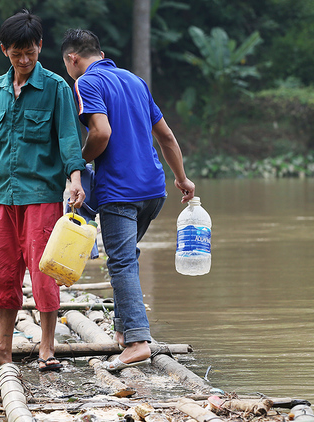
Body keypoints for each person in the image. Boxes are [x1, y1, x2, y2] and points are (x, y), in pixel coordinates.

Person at [0, 11, 86, 372]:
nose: (24, 61)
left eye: (30, 53)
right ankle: (2, 348)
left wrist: (75, 180)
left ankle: (47, 349)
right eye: (16, 54)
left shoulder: (56, 88)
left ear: (40, 47)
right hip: (4, 197)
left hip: (41, 197)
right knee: (0, 271)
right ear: (4, 50)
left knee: (44, 272)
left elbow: (70, 140)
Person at [61, 29, 195, 371]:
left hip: (120, 190)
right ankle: (123, 331)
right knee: (125, 255)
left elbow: (101, 132)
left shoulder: (87, 83)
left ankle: (137, 341)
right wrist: (181, 178)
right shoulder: (135, 81)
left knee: (120, 262)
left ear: (73, 59)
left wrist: (78, 162)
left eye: (67, 65)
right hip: (154, 189)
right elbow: (165, 135)